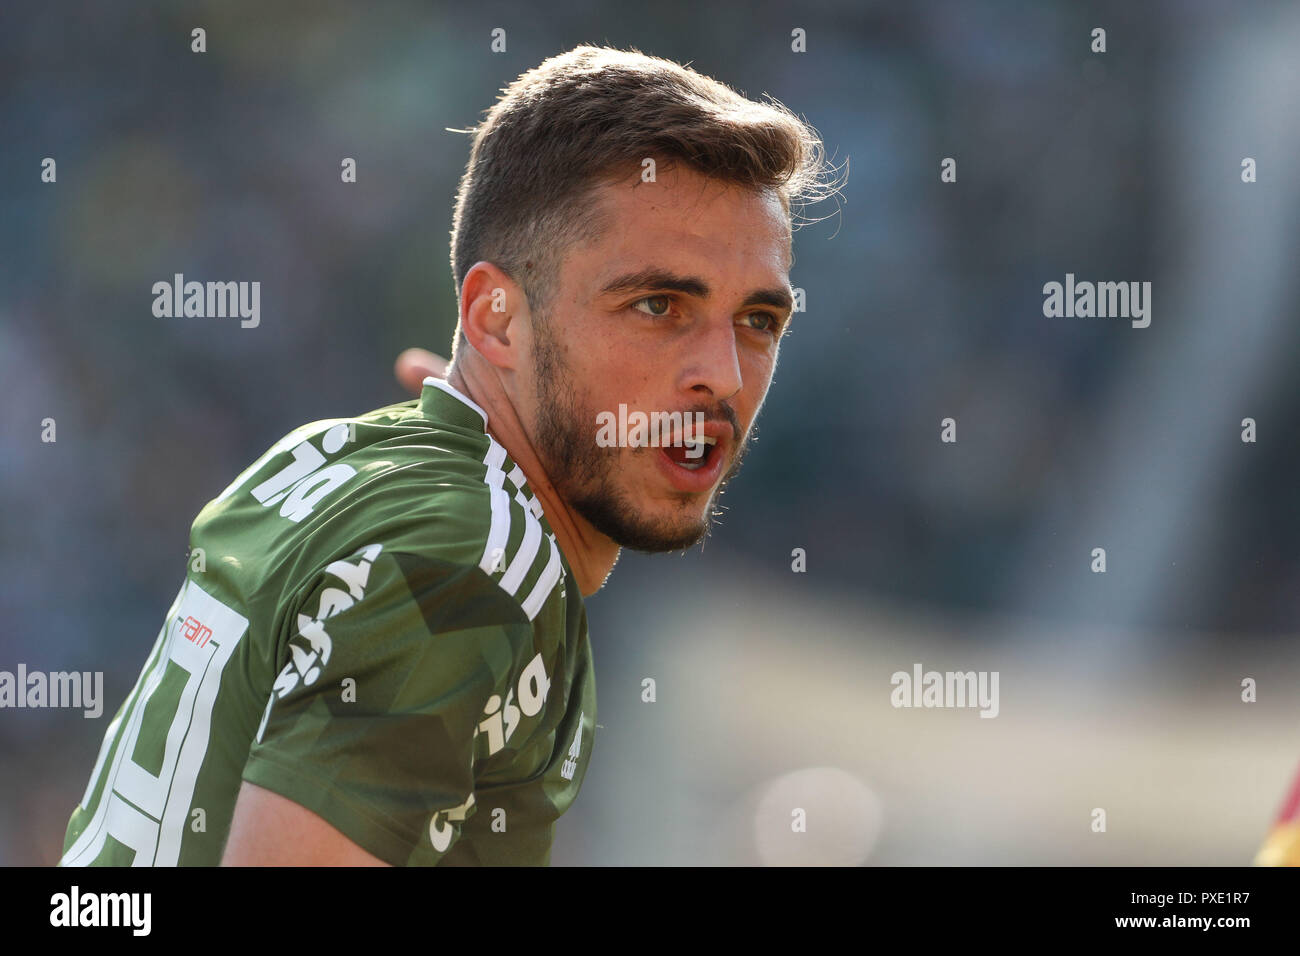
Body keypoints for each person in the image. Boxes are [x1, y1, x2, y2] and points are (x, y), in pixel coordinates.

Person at [59, 43, 833, 866]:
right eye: (656, 304)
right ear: (496, 319)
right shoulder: (466, 566)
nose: (721, 376)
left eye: (758, 321)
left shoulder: (354, 462)